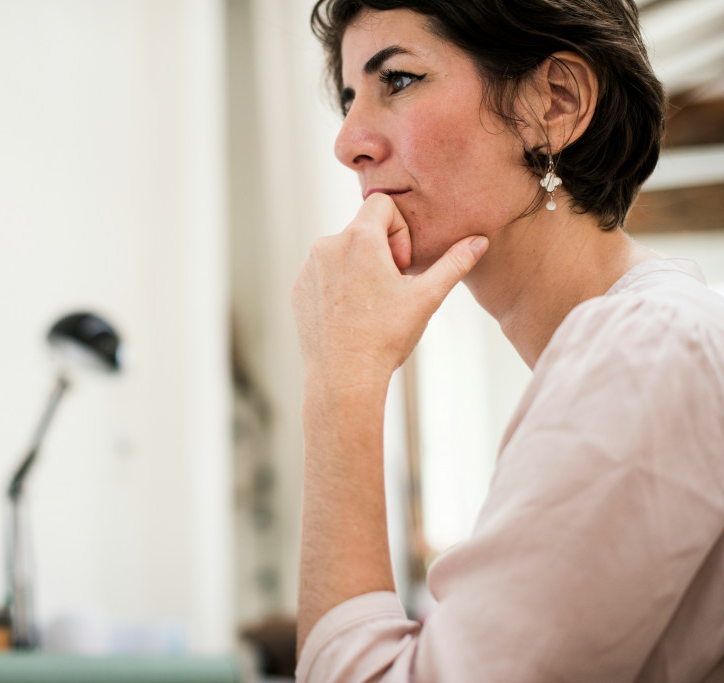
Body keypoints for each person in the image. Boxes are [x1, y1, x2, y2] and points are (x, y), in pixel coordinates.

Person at [290, 0, 724, 680]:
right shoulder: (641, 344)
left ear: (555, 103)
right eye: (349, 98)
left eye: (398, 80)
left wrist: (342, 379)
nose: (348, 142)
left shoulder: (648, 349)